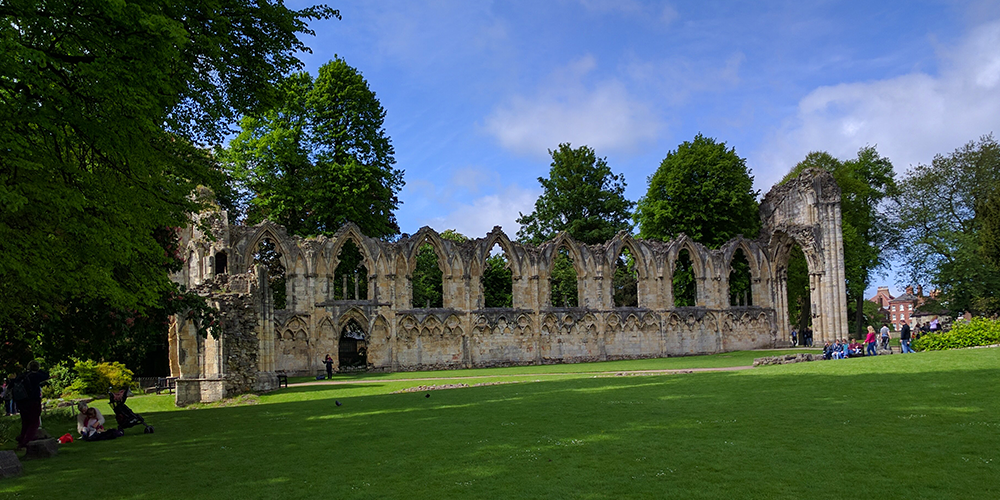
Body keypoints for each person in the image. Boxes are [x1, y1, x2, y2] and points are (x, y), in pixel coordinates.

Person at [14, 360, 49, 451]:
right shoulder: (36, 376)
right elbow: (46, 375)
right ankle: (26, 442)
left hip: (21, 402)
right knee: (34, 422)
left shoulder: (23, 376)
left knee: (25, 422)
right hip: (33, 401)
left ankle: (21, 440)